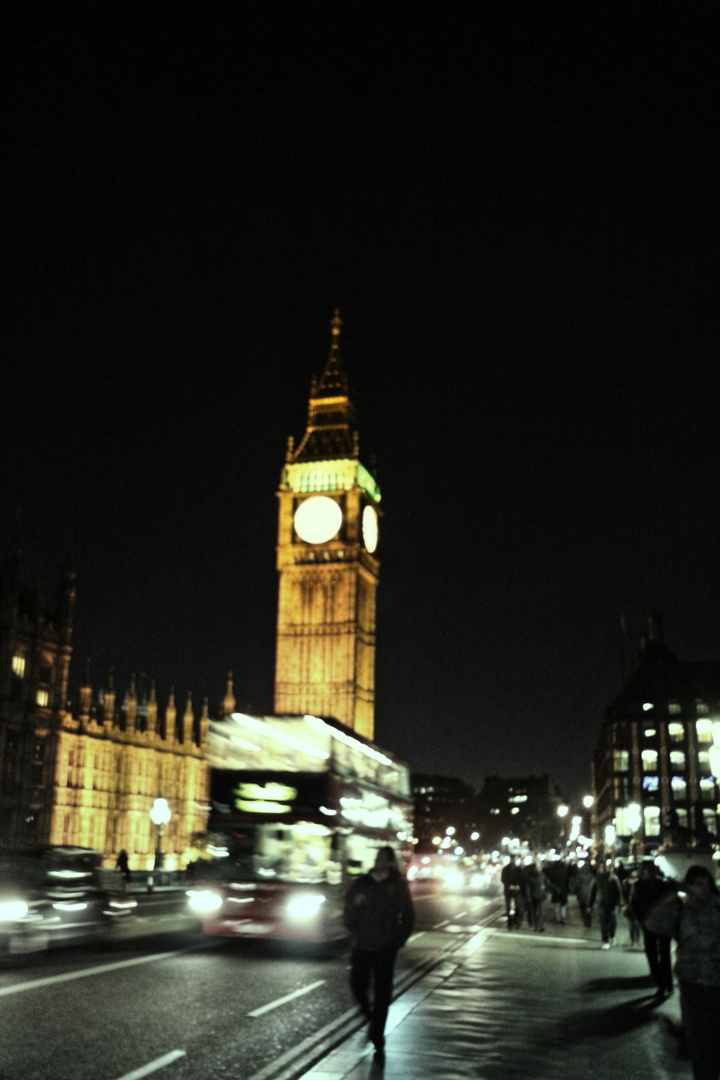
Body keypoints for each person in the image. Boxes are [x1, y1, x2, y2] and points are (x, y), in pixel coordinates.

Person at [343, 846, 415, 1063]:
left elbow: (409, 914)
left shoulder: (398, 884)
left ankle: (377, 1037)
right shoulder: (363, 882)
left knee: (383, 993)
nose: (379, 861)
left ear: (390, 862)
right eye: (377, 858)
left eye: (383, 858)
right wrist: (353, 926)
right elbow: (349, 905)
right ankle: (370, 1016)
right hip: (362, 944)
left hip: (386, 947)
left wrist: (398, 939)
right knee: (357, 985)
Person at [675, 865, 720, 1080]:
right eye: (699, 884)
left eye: (707, 884)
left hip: (716, 981)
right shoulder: (684, 910)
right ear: (689, 887)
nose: (704, 889)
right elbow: (691, 941)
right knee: (700, 1043)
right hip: (694, 983)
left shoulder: (718, 907)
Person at [630, 860, 675, 995]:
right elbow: (634, 903)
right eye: (646, 870)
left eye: (651, 870)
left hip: (663, 924)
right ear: (642, 871)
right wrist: (640, 919)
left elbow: (671, 900)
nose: (649, 872)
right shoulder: (638, 886)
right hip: (648, 924)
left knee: (665, 955)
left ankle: (668, 983)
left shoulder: (663, 884)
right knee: (652, 956)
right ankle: (661, 984)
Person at [588, 860, 622, 948]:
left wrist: (620, 904)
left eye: (604, 867)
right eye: (601, 868)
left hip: (612, 904)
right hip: (601, 904)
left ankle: (612, 936)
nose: (602, 869)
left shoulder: (613, 878)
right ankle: (605, 940)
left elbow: (619, 892)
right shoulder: (596, 879)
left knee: (613, 922)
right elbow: (592, 892)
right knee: (603, 923)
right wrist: (589, 905)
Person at [501, 856, 525, 928]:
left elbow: (522, 879)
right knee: (508, 907)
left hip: (515, 890)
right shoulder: (505, 869)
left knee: (517, 906)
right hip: (508, 890)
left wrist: (518, 886)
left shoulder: (518, 869)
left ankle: (515, 920)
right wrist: (509, 885)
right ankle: (510, 922)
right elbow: (503, 879)